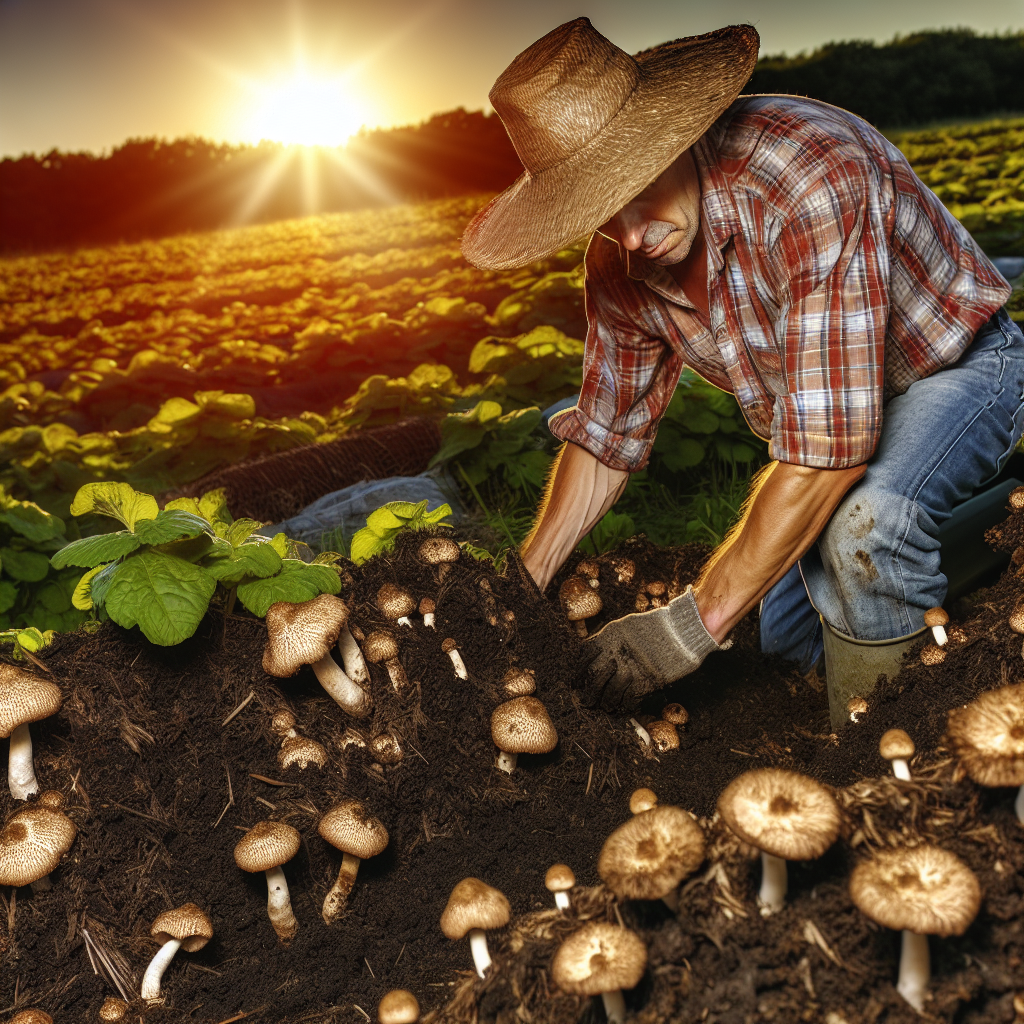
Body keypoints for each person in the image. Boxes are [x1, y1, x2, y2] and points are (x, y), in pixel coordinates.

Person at [461, 18, 1018, 711]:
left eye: (640, 189)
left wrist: (688, 628)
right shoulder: (619, 264)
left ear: (675, 138)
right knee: (786, 642)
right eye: (602, 213)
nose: (632, 235)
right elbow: (607, 436)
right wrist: (524, 584)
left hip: (953, 368)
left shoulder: (809, 174)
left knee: (863, 531)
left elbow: (830, 455)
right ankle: (960, 561)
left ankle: (891, 766)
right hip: (829, 422)